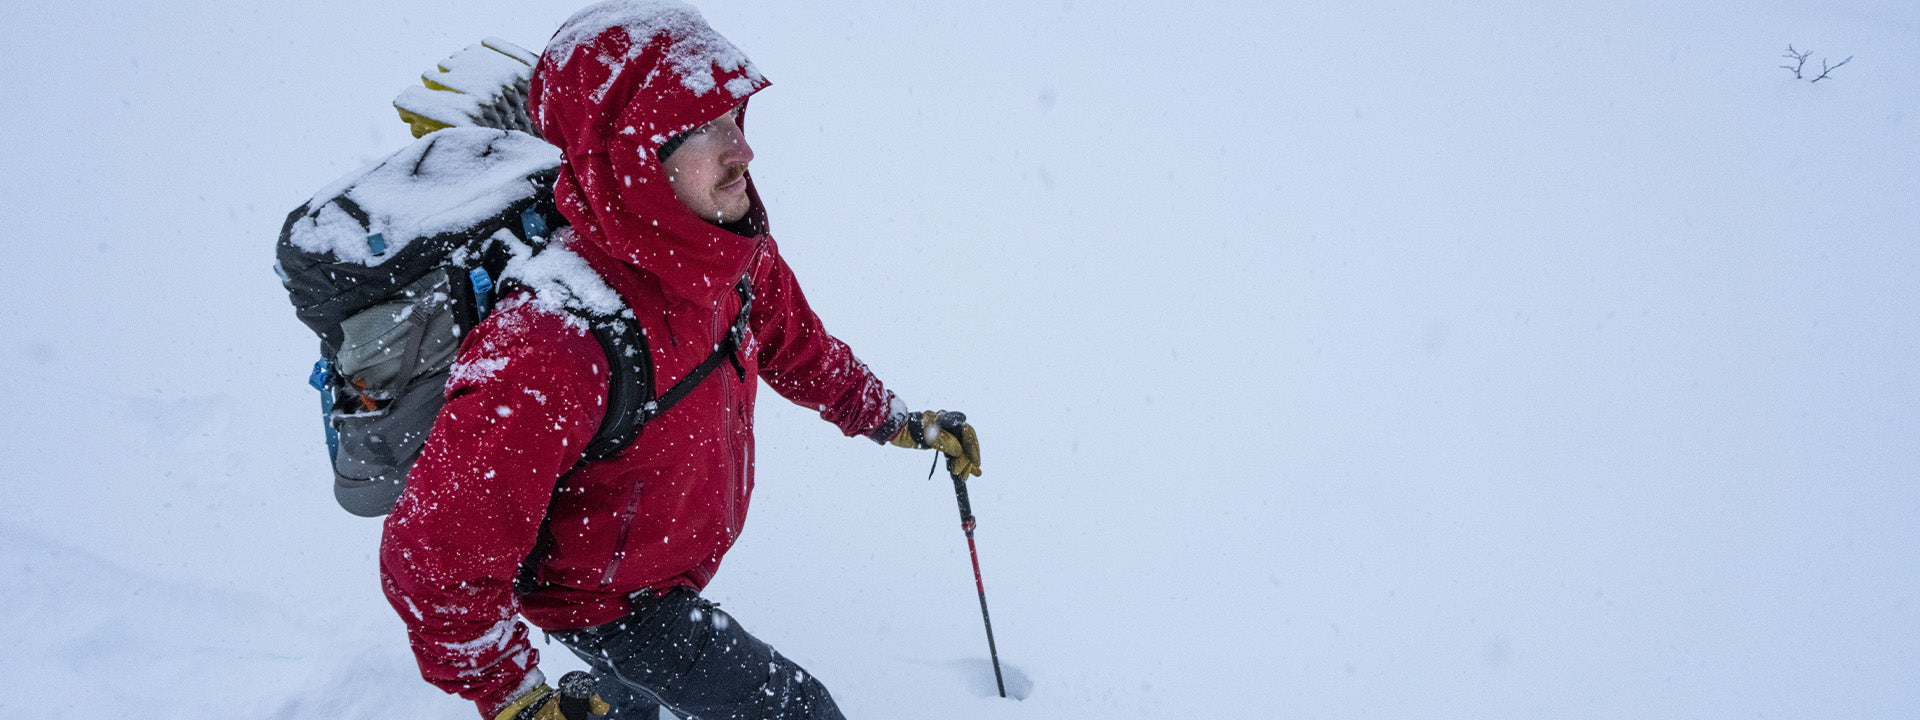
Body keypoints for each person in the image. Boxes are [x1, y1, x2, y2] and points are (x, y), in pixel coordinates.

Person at [377, 2, 982, 719]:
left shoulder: (728, 253)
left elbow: (799, 348)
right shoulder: (548, 343)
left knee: (632, 706)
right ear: (628, 154)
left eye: (734, 119)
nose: (742, 151)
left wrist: (898, 423)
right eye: (702, 130)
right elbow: (434, 560)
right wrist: (514, 696)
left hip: (658, 564)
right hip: (606, 603)